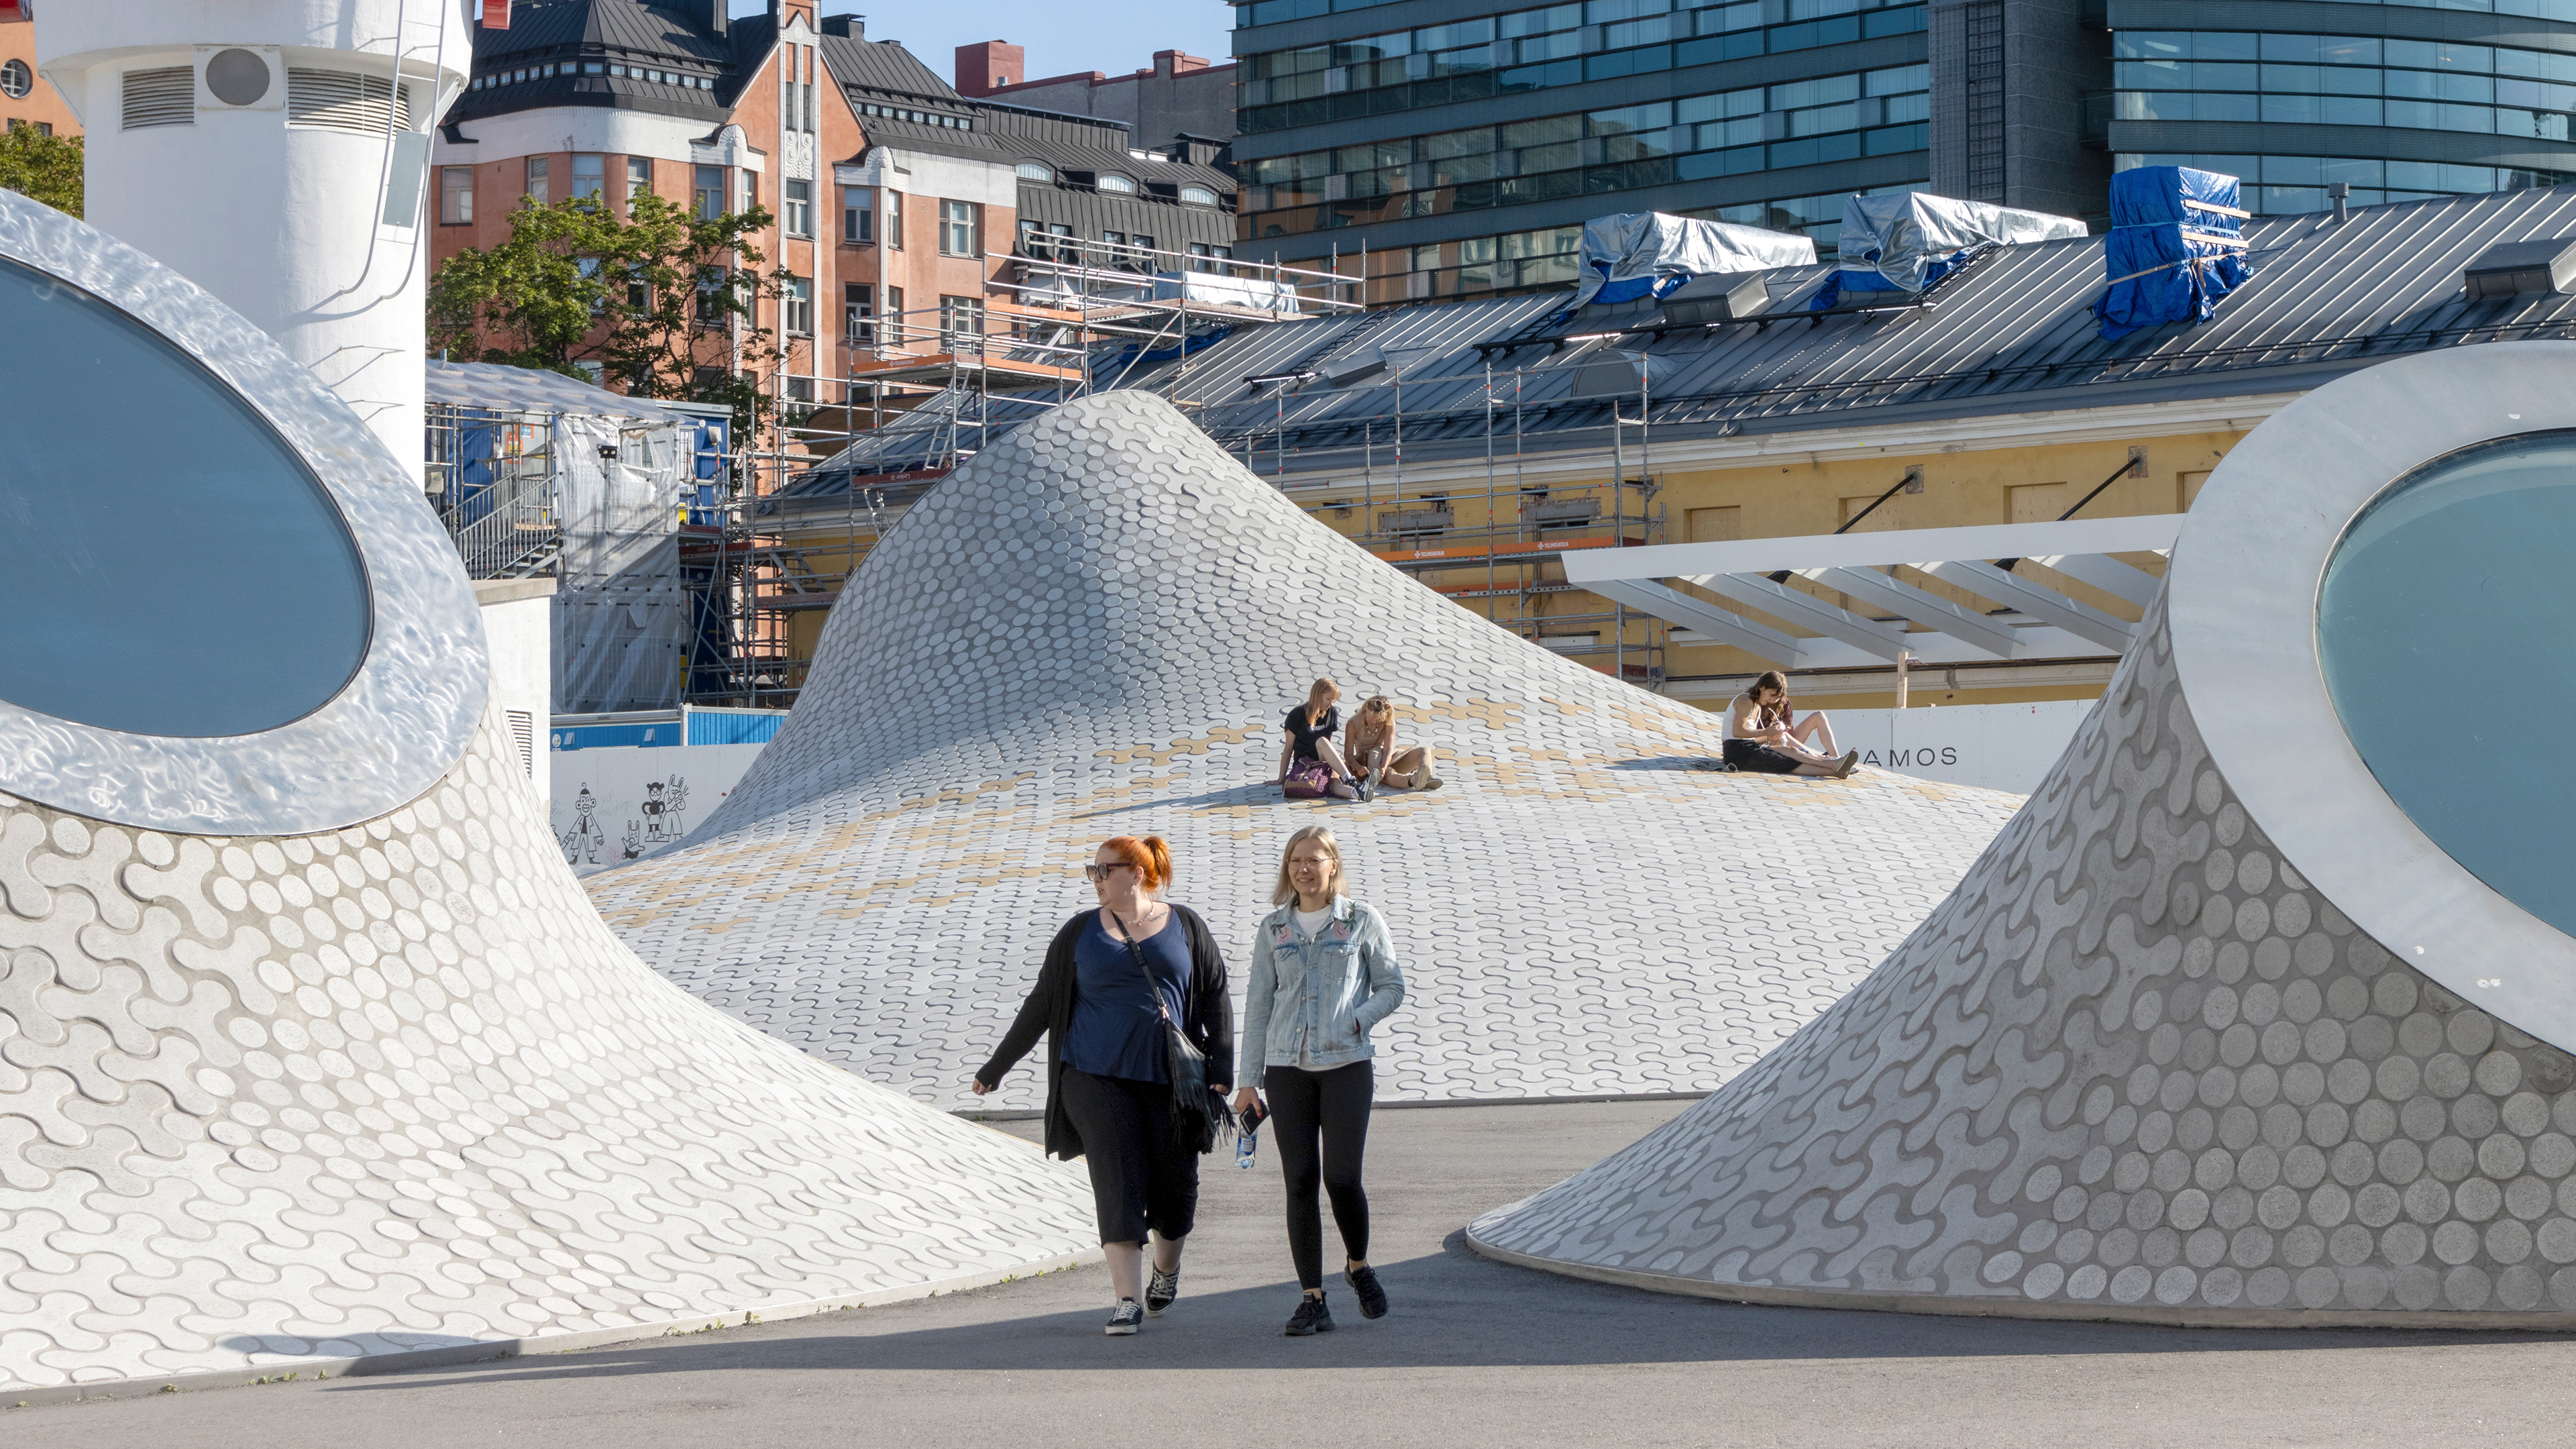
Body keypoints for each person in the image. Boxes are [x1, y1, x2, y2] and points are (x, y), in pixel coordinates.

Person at [973, 835, 1234, 1336]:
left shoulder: (1185, 925)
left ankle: (1167, 1269)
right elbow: (1042, 1003)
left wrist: (1221, 1066)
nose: (1094, 880)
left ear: (1135, 874)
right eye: (1091, 871)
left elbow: (1214, 994)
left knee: (1176, 1195)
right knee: (1116, 1183)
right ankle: (1126, 1301)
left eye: (1103, 871)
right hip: (1093, 1076)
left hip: (1172, 1083)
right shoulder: (1078, 934)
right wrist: (996, 1067)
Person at [1233, 826, 1405, 1336]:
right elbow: (1259, 1006)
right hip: (1287, 1069)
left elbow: (1392, 985)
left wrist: (1358, 1018)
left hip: (1347, 1065)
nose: (1303, 870)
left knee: (1342, 1179)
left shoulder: (1360, 921)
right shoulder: (1274, 929)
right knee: (1300, 1182)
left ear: (1333, 864)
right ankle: (1313, 1298)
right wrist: (1248, 1082)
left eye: (1313, 860)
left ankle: (1358, 1266)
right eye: (1295, 862)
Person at [1724, 670, 1858, 778]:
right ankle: (1834, 768)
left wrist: (1770, 736)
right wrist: (1766, 733)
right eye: (1771, 695)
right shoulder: (1745, 700)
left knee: (1792, 751)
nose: (1772, 700)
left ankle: (1834, 764)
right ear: (1762, 687)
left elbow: (1748, 738)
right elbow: (1738, 732)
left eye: (1776, 698)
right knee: (1788, 763)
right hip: (1738, 754)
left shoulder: (1756, 705)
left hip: (1747, 749)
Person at [1342, 695, 1442, 800]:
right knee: (1387, 772)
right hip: (1369, 761)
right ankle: (1413, 780)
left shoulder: (1389, 721)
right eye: (1372, 717)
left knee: (1424, 750)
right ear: (1366, 708)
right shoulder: (1354, 723)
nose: (1375, 721)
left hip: (1386, 756)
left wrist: (1384, 767)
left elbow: (1388, 749)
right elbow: (1347, 754)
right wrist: (1357, 767)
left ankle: (1428, 776)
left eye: (1379, 719)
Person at [1275, 678, 1360, 800]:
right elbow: (1288, 748)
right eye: (1329, 699)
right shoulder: (1297, 715)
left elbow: (1328, 746)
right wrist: (1280, 778)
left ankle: (1357, 793)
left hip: (1323, 761)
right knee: (1321, 741)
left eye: (1333, 700)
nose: (1331, 703)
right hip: (1305, 764)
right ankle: (1351, 781)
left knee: (1335, 782)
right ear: (1318, 695)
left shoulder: (1332, 712)